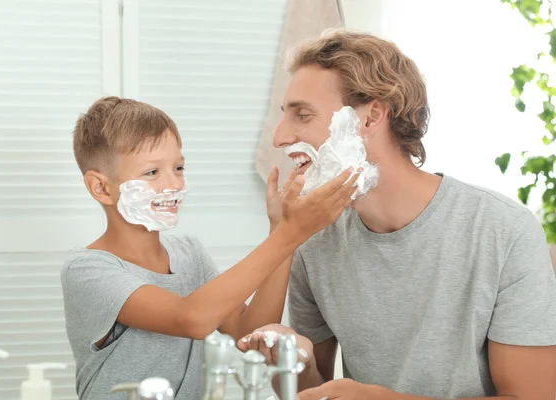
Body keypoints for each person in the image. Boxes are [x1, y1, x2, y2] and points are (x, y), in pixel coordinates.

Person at [238, 29, 556, 399]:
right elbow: (319, 391)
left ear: (371, 118)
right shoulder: (314, 240)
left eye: (302, 115)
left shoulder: (503, 231)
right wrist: (298, 363)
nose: (279, 137)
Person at [60, 96, 358, 400]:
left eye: (178, 167)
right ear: (101, 188)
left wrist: (281, 231)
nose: (173, 184)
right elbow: (191, 318)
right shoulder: (88, 271)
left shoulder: (189, 254)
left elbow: (249, 330)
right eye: (152, 172)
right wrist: (291, 234)